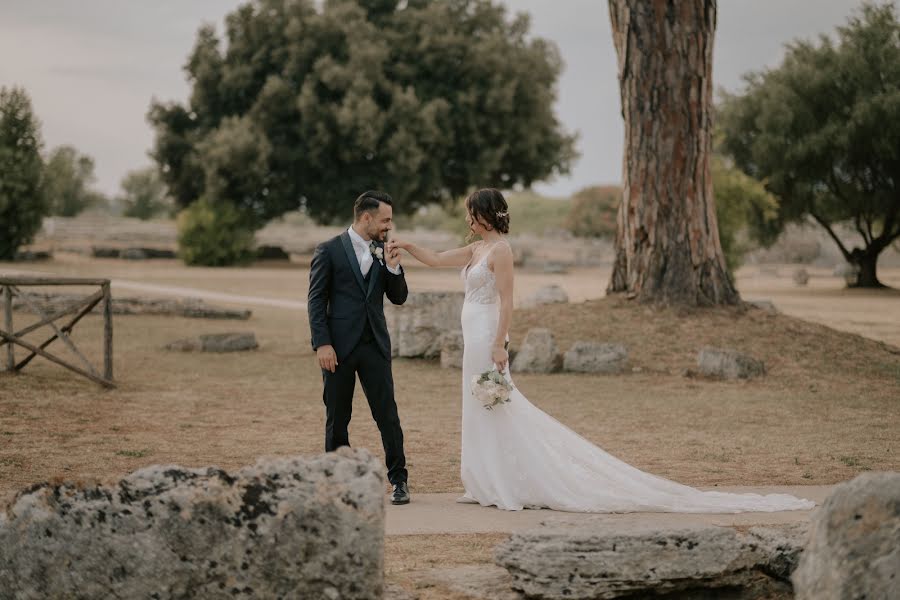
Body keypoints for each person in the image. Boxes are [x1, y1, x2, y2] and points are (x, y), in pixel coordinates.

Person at [389, 188, 815, 512]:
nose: (468, 219)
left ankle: (504, 482)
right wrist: (407, 247)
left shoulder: (501, 251)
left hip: (487, 337)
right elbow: (439, 258)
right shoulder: (476, 248)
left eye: (472, 213)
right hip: (471, 337)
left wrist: (501, 345)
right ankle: (480, 481)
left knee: (497, 403)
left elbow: (506, 301)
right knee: (476, 404)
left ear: (485, 215)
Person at [308, 191, 411, 505]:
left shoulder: (384, 249)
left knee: (388, 415)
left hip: (375, 346)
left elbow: (399, 297)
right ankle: (336, 480)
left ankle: (399, 481)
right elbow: (315, 301)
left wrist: (393, 269)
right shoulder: (328, 250)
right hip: (338, 348)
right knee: (338, 416)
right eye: (385, 220)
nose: (389, 226)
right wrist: (322, 344)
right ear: (366, 217)